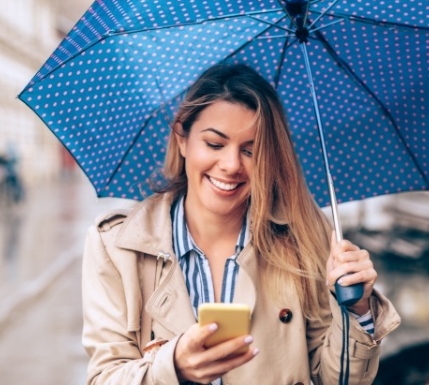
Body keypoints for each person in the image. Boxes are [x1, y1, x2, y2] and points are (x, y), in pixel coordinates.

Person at [82, 63, 400, 385]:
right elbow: (106, 377)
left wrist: (356, 310)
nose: (232, 165)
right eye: (215, 144)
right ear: (182, 139)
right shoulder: (117, 245)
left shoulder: (305, 233)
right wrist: (174, 366)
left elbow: (338, 379)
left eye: (251, 150)